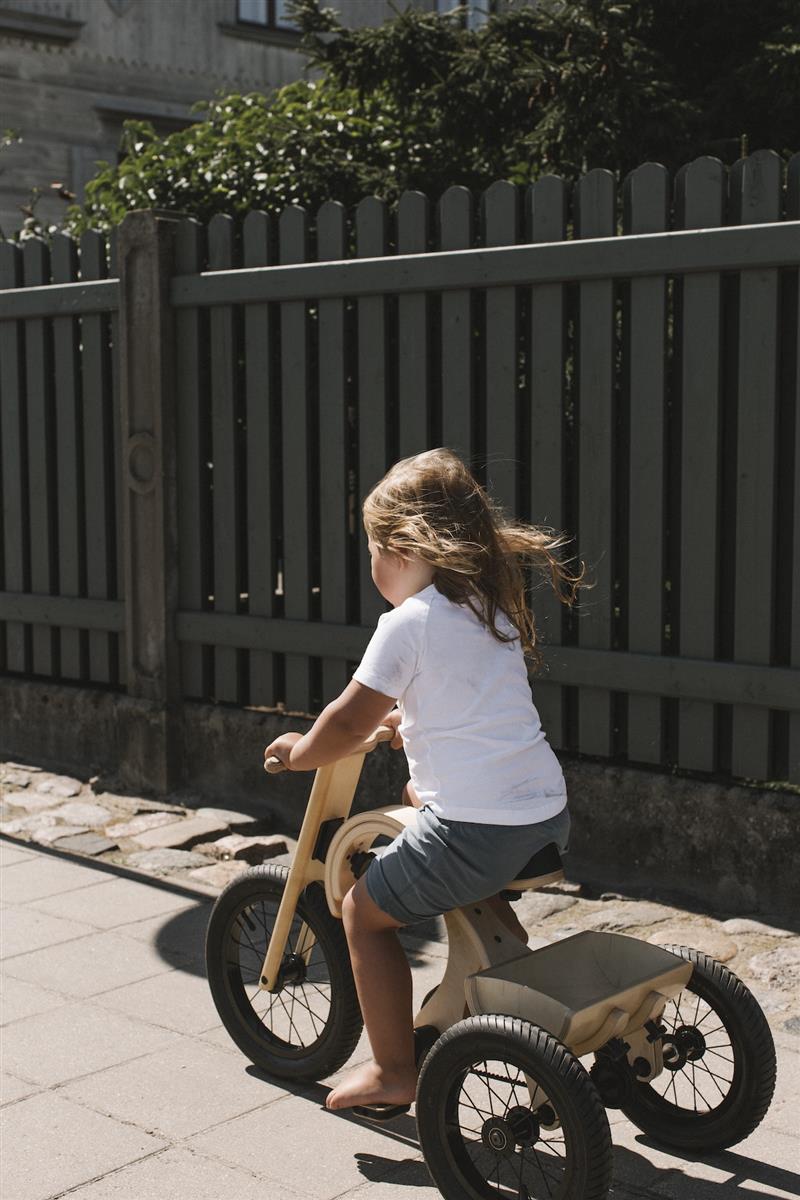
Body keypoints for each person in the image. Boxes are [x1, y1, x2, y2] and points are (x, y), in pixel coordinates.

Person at [264, 447, 583, 1119]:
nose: (374, 566)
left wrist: (301, 754)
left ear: (405, 548)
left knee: (362, 911)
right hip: (544, 815)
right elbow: (466, 709)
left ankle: (391, 1069)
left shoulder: (406, 623)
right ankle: (489, 940)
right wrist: (406, 725)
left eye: (376, 549)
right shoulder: (484, 607)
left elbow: (349, 720)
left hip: (478, 831)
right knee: (418, 799)